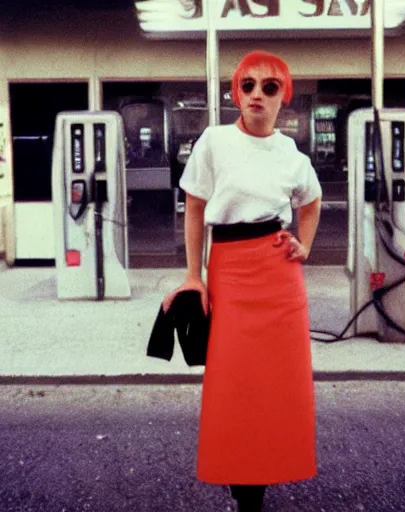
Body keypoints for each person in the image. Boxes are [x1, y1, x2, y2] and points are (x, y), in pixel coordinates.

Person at [163, 49, 322, 512]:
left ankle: (258, 484)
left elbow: (311, 202)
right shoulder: (213, 141)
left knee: (279, 385)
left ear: (283, 98)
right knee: (234, 386)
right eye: (247, 85)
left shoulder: (290, 152)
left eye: (269, 87)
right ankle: (241, 476)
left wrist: (304, 245)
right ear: (236, 92)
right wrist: (195, 276)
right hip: (229, 270)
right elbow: (194, 209)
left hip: (279, 274)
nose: (256, 94)